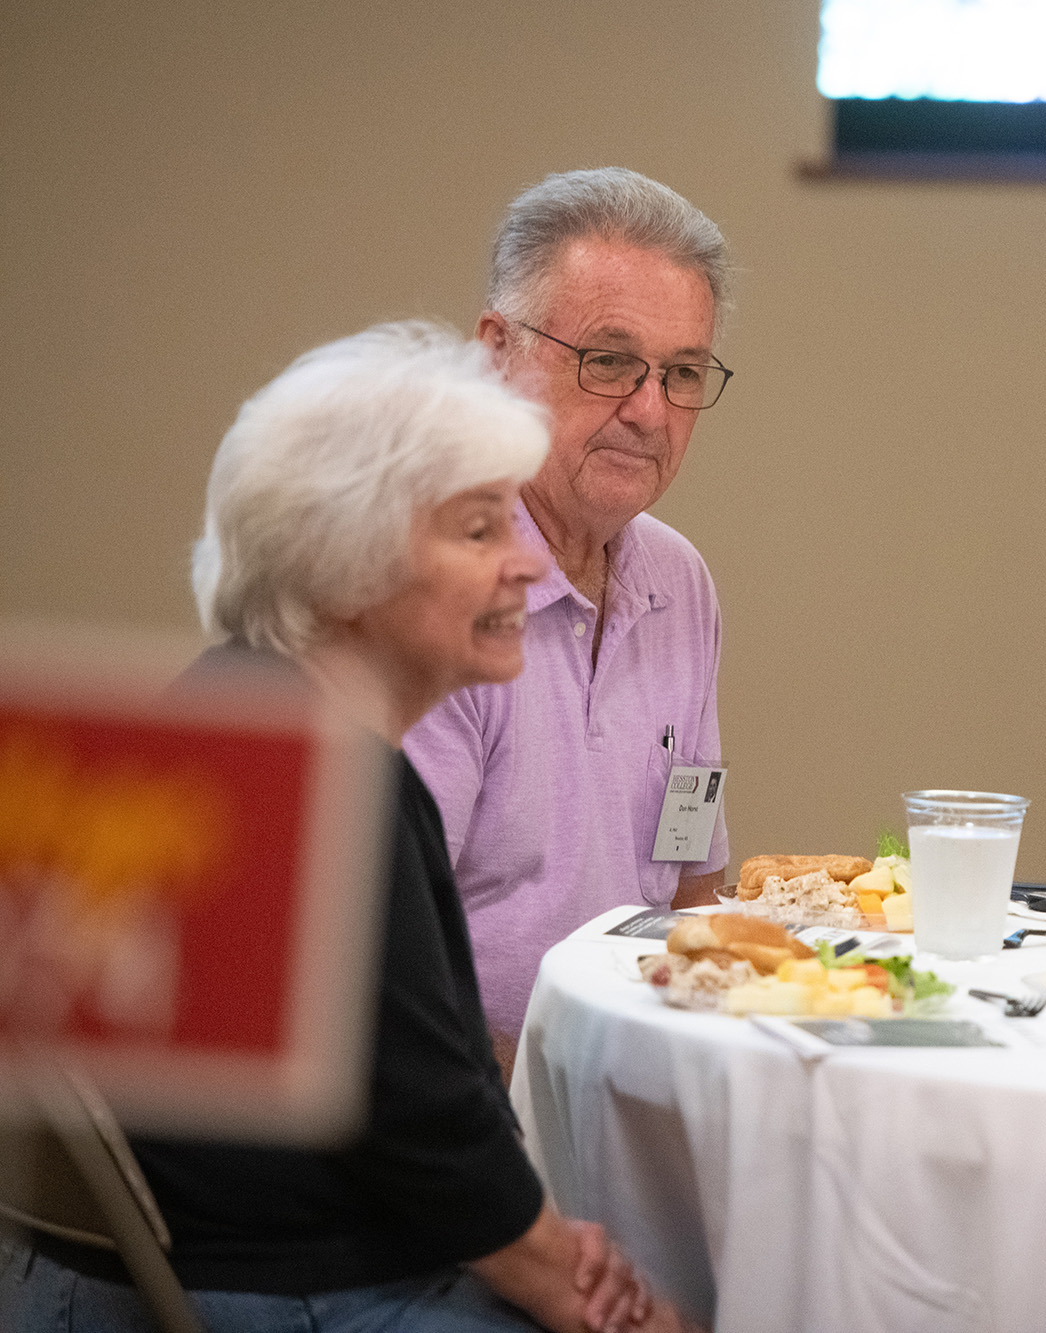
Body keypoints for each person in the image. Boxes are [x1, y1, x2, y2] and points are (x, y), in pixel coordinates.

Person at [1, 323, 692, 1332]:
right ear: (345, 562)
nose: (526, 569)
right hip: (277, 1294)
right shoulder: (333, 783)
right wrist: (589, 1291)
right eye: (476, 531)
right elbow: (435, 1138)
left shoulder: (226, 722)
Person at [403, 169, 736, 1065]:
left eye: (682, 373)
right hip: (474, 1113)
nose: (649, 410)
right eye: (610, 360)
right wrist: (556, 1113)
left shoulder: (679, 579)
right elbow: (380, 963)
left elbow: (692, 878)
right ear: (495, 350)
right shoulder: (437, 580)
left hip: (633, 1083)